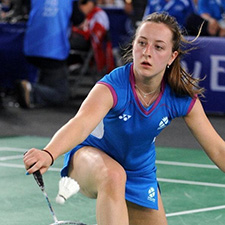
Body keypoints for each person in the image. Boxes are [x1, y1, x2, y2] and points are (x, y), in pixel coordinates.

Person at [23, 12, 225, 225]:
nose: (147, 52)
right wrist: (49, 152)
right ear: (134, 45)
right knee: (114, 175)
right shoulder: (113, 86)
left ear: (172, 56)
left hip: (139, 172)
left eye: (158, 47)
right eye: (142, 43)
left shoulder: (180, 98)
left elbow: (218, 149)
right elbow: (81, 123)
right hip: (88, 159)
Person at [16, 0, 84, 109]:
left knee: (47, 78)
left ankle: (31, 92)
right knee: (62, 94)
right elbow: (79, 20)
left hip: (31, 48)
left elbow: (24, 12)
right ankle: (32, 90)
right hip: (54, 51)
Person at [69, 0, 114, 74]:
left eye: (83, 3)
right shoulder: (81, 15)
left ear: (91, 3)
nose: (80, 7)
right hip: (80, 42)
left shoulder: (99, 14)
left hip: (90, 45)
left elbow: (96, 38)